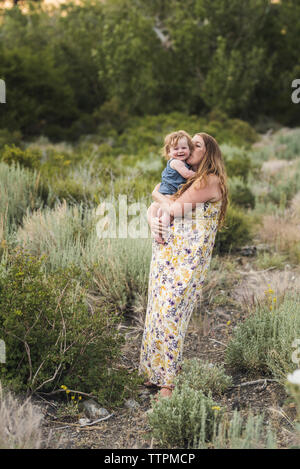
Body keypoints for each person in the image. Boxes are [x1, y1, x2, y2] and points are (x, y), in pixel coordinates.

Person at [138, 132, 229, 400]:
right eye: (190, 143)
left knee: (172, 312)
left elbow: (174, 208)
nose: (190, 148)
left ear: (208, 152)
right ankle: (153, 374)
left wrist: (155, 193)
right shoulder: (186, 175)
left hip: (186, 260)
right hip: (169, 251)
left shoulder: (208, 180)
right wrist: (150, 218)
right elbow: (159, 204)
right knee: (157, 309)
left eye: (197, 145)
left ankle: (169, 382)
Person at [150, 130, 196, 244]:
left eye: (183, 148)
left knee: (159, 210)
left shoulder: (180, 162)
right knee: (168, 214)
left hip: (167, 191)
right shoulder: (177, 163)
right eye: (176, 149)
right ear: (169, 152)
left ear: (189, 149)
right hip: (170, 191)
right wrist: (199, 175)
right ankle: (160, 233)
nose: (180, 151)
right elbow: (186, 174)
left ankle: (157, 228)